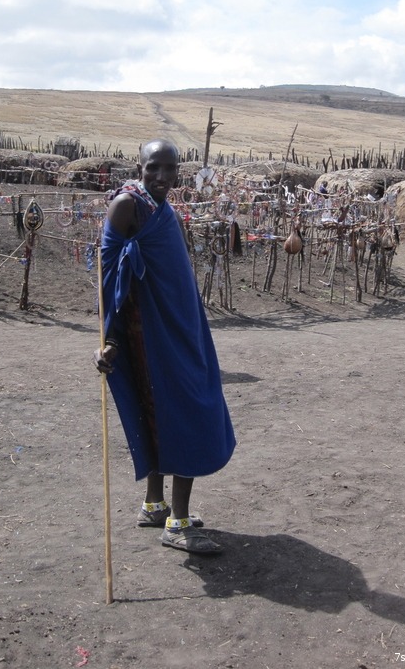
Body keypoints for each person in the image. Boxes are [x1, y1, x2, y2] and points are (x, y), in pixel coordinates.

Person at [94, 139, 236, 555]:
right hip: (150, 333)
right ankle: (177, 524)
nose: (162, 176)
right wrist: (109, 338)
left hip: (179, 326)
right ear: (139, 166)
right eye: (153, 167)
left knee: (164, 411)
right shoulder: (127, 205)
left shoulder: (159, 205)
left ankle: (155, 505)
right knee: (185, 412)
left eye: (169, 169)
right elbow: (105, 277)